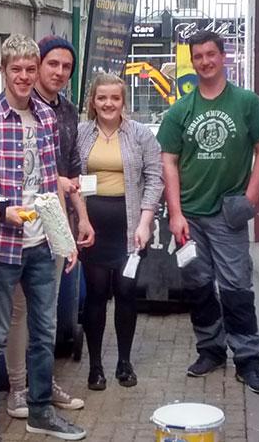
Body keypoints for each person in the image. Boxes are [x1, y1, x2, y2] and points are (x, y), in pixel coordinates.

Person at [0, 34, 86, 442]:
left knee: (44, 333)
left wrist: (62, 239)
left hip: (42, 244)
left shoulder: (47, 118)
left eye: (31, 69)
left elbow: (49, 183)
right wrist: (1, 211)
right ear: (4, 70)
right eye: (17, 69)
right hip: (0, 245)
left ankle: (41, 411)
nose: (25, 76)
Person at [156, 30, 259, 395]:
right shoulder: (181, 110)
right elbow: (169, 162)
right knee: (199, 286)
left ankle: (249, 359)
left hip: (228, 214)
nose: (205, 61)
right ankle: (210, 350)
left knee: (237, 287)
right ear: (192, 62)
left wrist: (250, 200)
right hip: (190, 215)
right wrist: (175, 214)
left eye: (211, 54)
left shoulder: (246, 103)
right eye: (198, 57)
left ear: (223, 57)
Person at [3, 35, 93, 419]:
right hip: (19, 223)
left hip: (57, 221)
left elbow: (71, 171)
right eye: (52, 63)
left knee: (48, 309)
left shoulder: (68, 111)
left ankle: (42, 383)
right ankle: (18, 388)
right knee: (19, 310)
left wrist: (82, 217)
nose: (58, 72)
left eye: (66, 66)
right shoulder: (22, 105)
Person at [77, 73, 162, 390]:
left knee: (127, 292)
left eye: (114, 98)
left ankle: (124, 363)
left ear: (123, 101)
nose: (108, 103)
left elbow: (155, 178)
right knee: (96, 295)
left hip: (130, 226)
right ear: (93, 102)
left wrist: (145, 222)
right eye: (102, 98)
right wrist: (81, 218)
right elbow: (73, 178)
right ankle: (95, 366)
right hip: (92, 227)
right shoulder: (82, 133)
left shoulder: (140, 135)